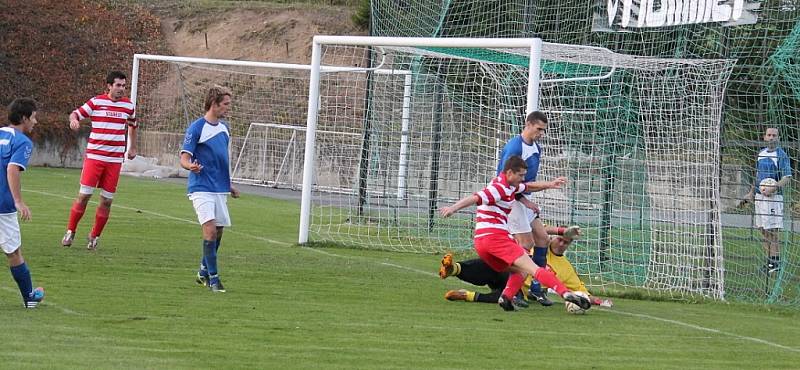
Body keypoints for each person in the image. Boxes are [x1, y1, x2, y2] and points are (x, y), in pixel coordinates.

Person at [439, 155, 590, 312]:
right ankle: (566, 294)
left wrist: (550, 184)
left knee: (520, 271)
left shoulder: (510, 185)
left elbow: (529, 187)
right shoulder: (499, 188)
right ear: (510, 172)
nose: (523, 178)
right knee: (534, 269)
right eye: (521, 175)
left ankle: (506, 298)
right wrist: (452, 208)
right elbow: (475, 197)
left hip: (481, 242)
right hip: (496, 238)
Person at [440, 227, 613, 308]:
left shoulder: (566, 268)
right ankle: (454, 268)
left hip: (520, 291)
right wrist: (561, 230)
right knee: (494, 266)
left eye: (566, 243)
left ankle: (466, 295)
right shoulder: (537, 243)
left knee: (505, 298)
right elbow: (535, 229)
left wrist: (598, 301)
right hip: (508, 273)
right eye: (560, 239)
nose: (561, 244)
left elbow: (580, 291)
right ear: (551, 238)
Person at [61, 71, 138, 250]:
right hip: (95, 158)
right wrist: (74, 121)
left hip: (114, 160)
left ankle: (94, 236)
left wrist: (132, 147)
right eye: (118, 85)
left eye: (124, 86)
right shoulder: (96, 102)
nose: (121, 89)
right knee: (84, 196)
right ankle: (70, 231)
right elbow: (75, 114)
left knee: (107, 200)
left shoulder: (129, 106)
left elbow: (133, 125)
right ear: (109, 86)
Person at [496, 111, 561, 305]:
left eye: (543, 130)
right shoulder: (515, 147)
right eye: (538, 129)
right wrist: (525, 201)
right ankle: (513, 291)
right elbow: (506, 181)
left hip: (523, 198)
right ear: (528, 124)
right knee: (525, 245)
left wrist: (527, 199)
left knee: (542, 238)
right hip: (511, 200)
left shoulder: (536, 148)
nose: (541, 133)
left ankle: (536, 288)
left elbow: (525, 182)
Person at [180, 85, 240, 293]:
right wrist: (191, 166)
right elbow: (184, 158)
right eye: (225, 104)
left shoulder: (225, 129)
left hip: (219, 188)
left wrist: (229, 184)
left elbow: (220, 160)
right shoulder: (196, 128)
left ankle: (203, 271)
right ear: (213, 104)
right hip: (201, 187)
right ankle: (214, 279)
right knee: (210, 230)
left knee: (219, 231)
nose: (228, 108)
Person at [1, 98, 45, 308]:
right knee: (14, 252)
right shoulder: (22, 141)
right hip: (2, 206)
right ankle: (30, 297)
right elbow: (12, 169)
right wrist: (18, 201)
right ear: (24, 118)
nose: (35, 122)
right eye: (34, 117)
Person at [742, 127, 792, 273]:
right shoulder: (761, 153)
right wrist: (751, 192)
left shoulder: (781, 155)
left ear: (778, 138)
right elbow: (757, 175)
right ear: (764, 137)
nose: (771, 137)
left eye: (774, 135)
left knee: (772, 230)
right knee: (762, 228)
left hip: (773, 198)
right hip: (759, 197)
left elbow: (787, 177)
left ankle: (774, 263)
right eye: (769, 135)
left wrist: (774, 187)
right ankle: (771, 261)